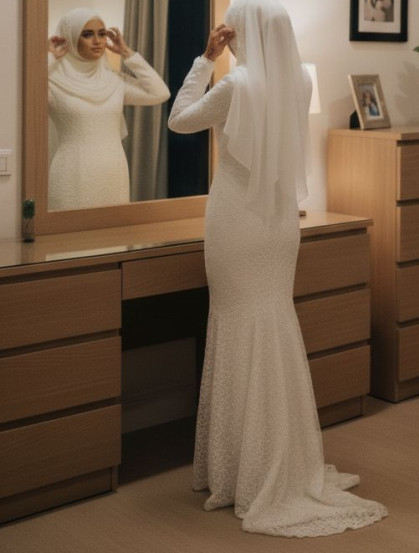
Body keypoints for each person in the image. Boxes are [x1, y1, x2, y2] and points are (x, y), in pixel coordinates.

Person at [167, 0, 387, 537]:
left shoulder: (236, 85)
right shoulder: (299, 82)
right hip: (278, 223)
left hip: (236, 220)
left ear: (241, 34)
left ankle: (244, 467)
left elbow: (178, 120)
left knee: (237, 328)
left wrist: (204, 59)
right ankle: (278, 458)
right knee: (273, 326)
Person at [48, 7, 169, 211]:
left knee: (114, 230)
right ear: (69, 38)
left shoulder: (113, 80)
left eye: (102, 33)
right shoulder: (52, 82)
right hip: (72, 173)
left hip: (113, 172)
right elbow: (23, 96)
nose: (97, 41)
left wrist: (126, 52)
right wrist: (50, 57)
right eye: (87, 34)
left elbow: (159, 93)